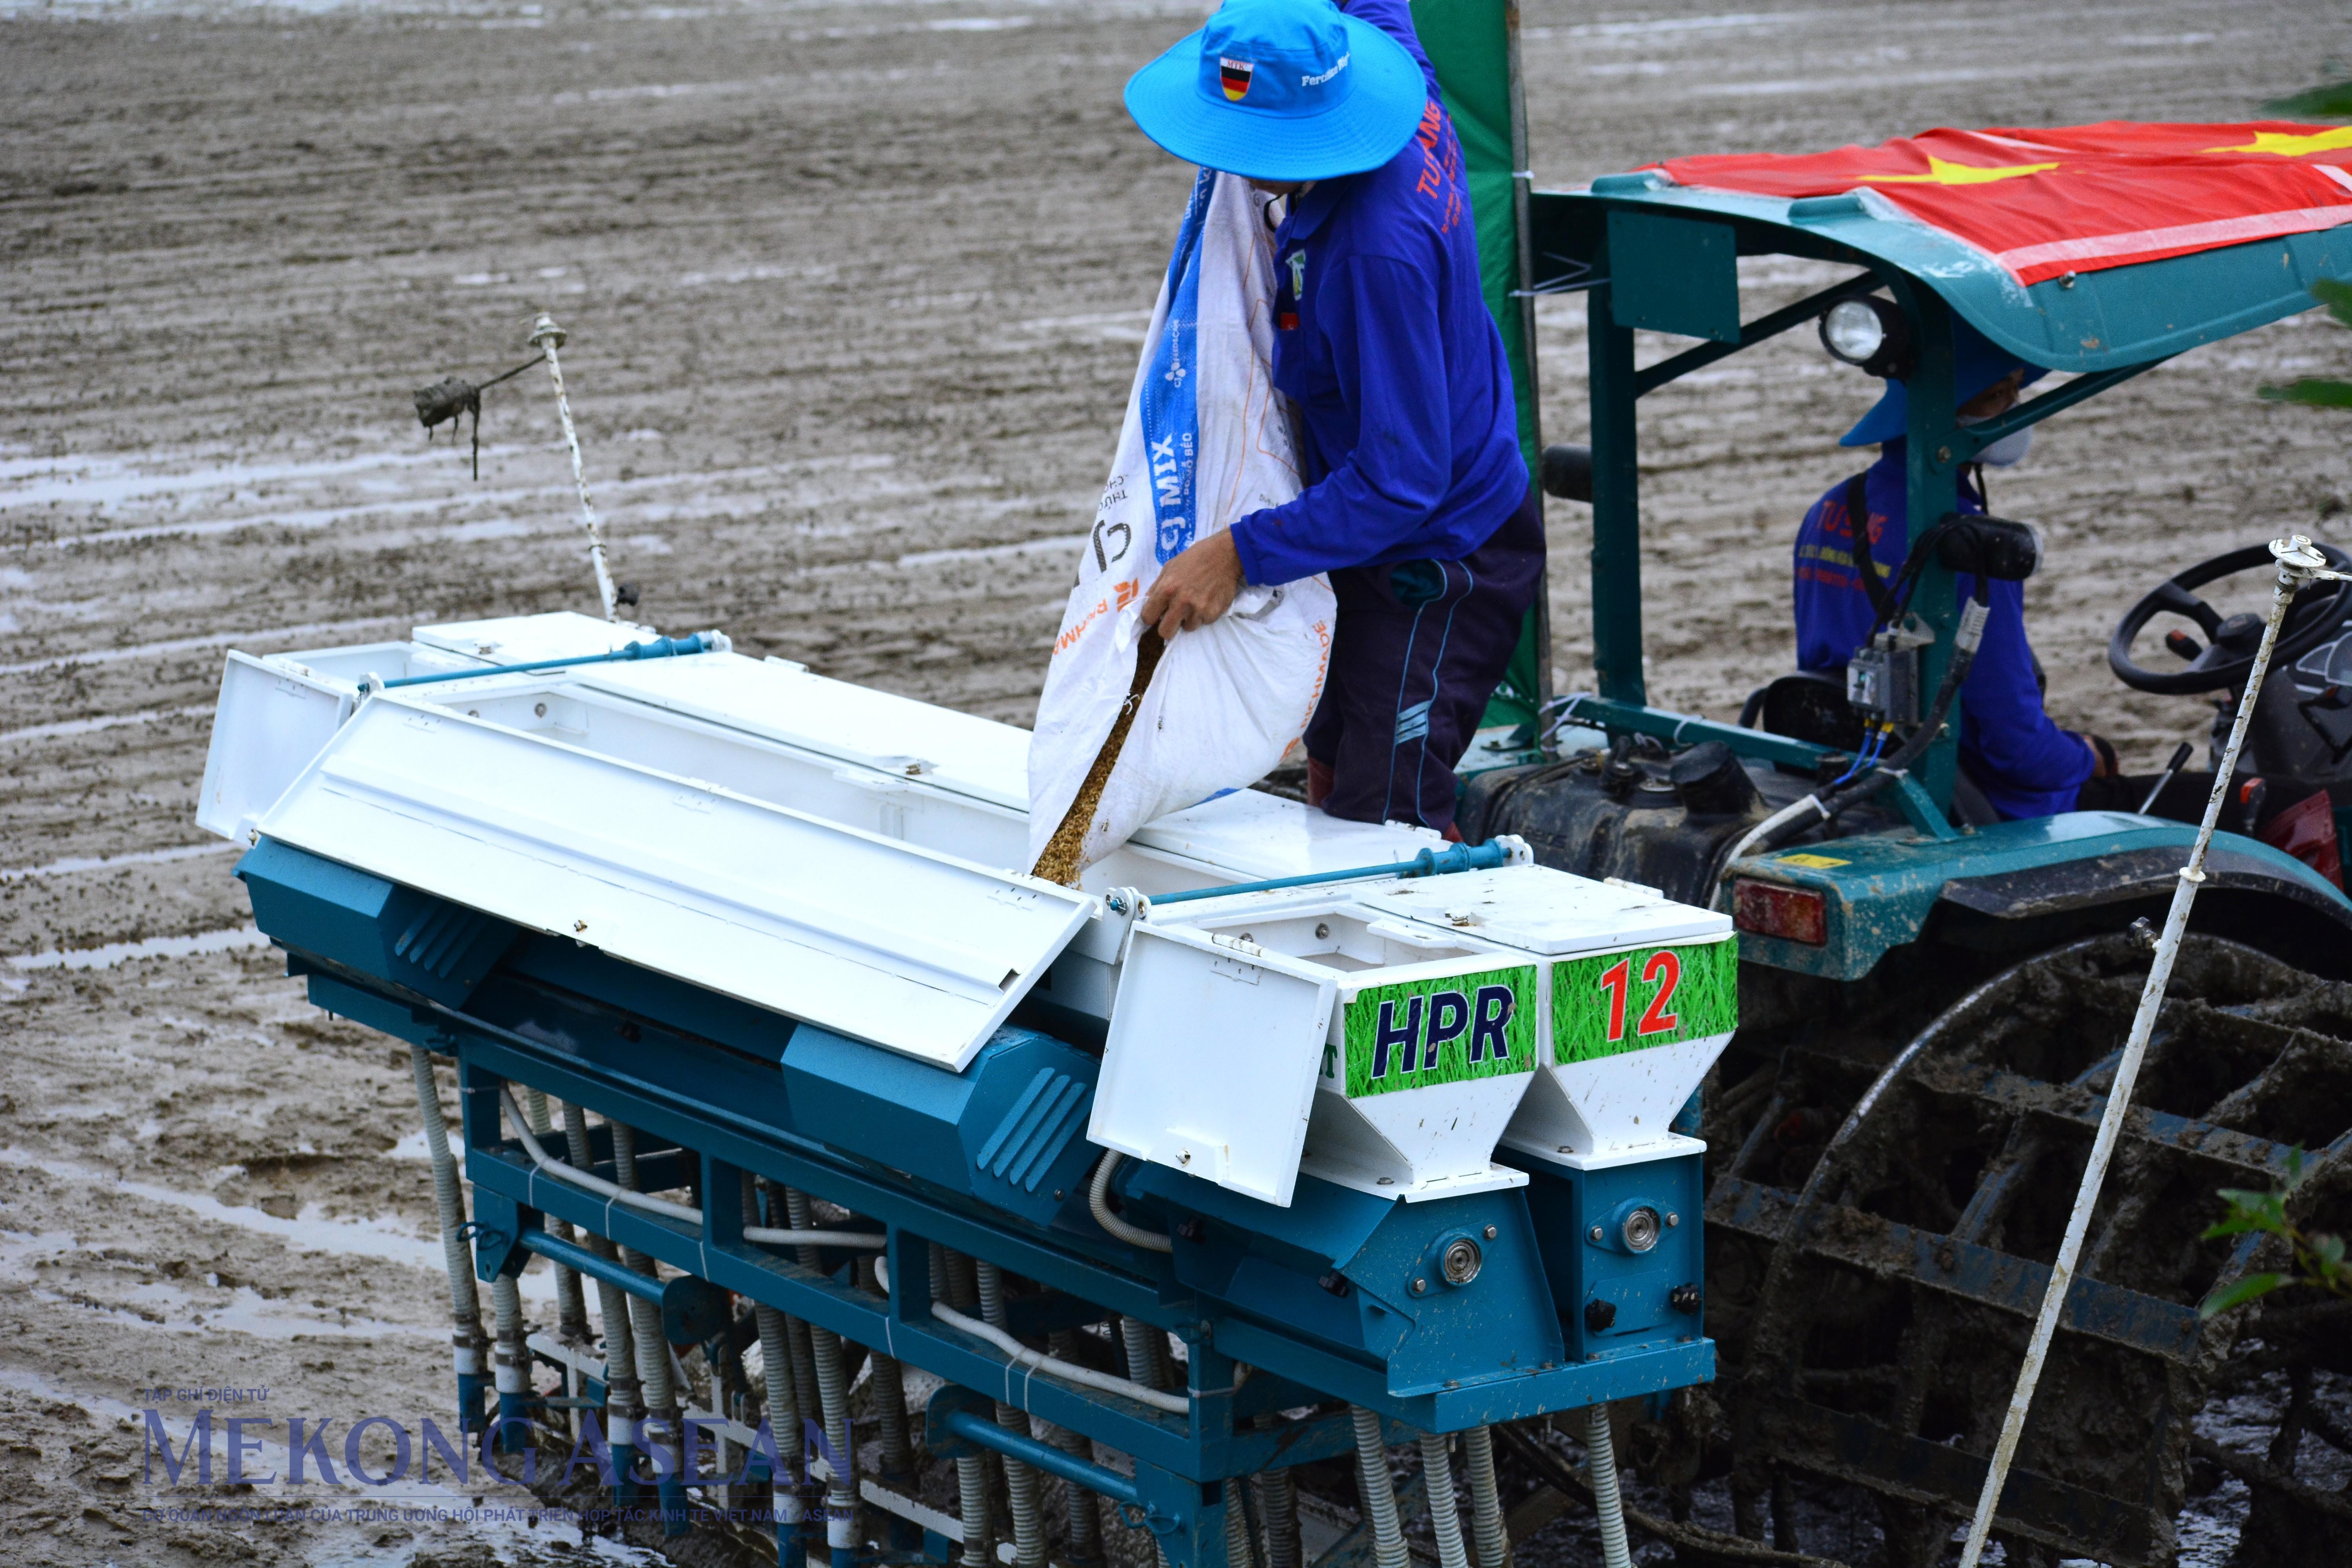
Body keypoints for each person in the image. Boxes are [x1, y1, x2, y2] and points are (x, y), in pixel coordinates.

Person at [1123, 0, 1539, 839]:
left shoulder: (1368, 257)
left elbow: (1402, 481)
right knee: (1329, 764)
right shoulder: (1403, 96)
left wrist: (1238, 554)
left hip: (1435, 556)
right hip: (1373, 527)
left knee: (1381, 817)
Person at [1795, 318, 2118, 820]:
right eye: (1997, 396)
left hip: (1851, 763)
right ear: (1947, 412)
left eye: (2015, 391)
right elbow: (2015, 744)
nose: (2015, 412)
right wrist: (2087, 756)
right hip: (1961, 794)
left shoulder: (1829, 509)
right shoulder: (1966, 544)